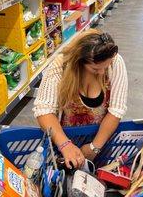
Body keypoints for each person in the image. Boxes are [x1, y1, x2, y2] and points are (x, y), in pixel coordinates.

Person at [33, 29, 128, 169]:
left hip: (101, 140)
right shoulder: (61, 65)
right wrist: (65, 145)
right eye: (95, 69)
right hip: (63, 141)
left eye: (105, 67)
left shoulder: (114, 62)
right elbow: (43, 109)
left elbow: (116, 109)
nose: (102, 72)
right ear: (79, 62)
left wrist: (94, 147)